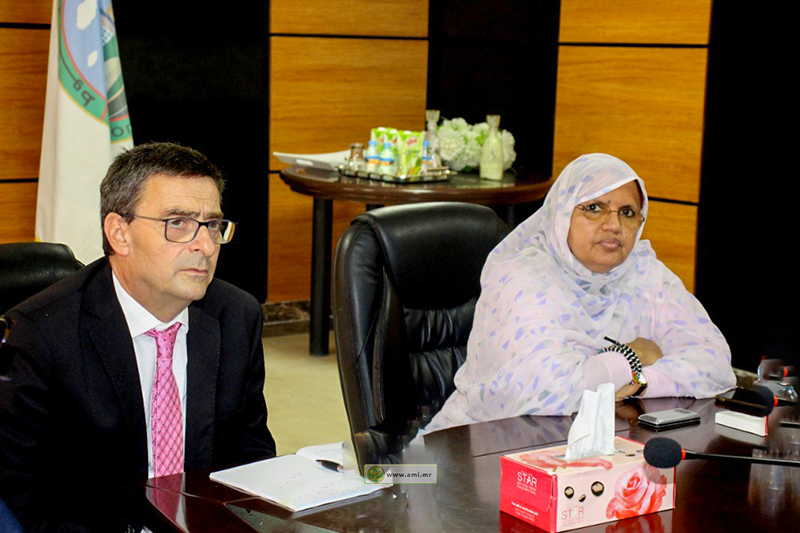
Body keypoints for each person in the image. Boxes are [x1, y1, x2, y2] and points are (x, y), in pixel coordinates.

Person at [0, 142, 276, 531]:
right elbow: (24, 490)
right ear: (120, 233)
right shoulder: (41, 334)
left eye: (213, 225)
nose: (204, 245)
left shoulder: (235, 316)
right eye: (177, 223)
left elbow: (250, 456)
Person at [427, 153, 735, 430]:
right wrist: (633, 356)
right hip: (477, 447)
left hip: (588, 444)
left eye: (627, 212)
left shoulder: (645, 273)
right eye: (594, 208)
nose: (613, 224)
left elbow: (716, 365)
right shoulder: (525, 278)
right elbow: (547, 390)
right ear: (562, 213)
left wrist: (642, 382)